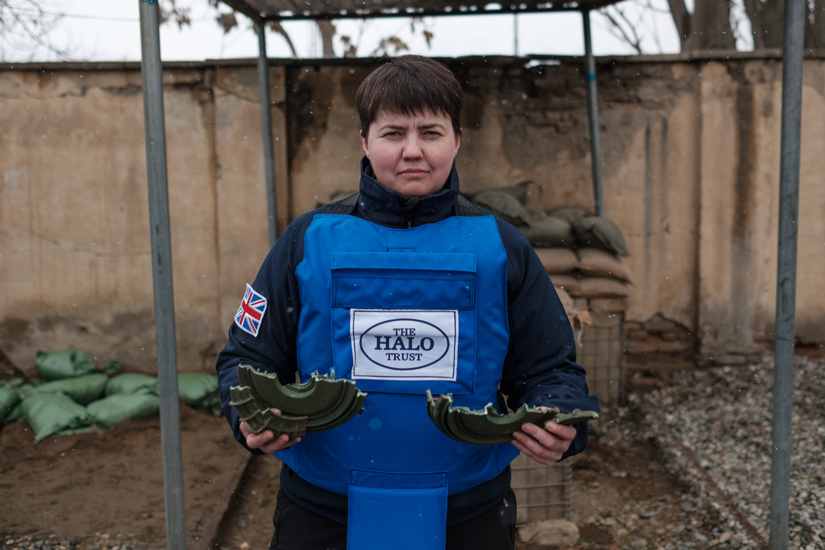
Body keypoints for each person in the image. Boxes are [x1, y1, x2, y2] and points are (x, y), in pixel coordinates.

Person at [216, 55, 599, 550]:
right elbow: (243, 360)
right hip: (322, 513)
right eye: (393, 133)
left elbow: (554, 370)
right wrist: (245, 415)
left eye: (431, 133)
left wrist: (560, 417)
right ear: (365, 141)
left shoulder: (501, 247)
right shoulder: (307, 241)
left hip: (469, 515)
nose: (412, 151)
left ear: (457, 140)